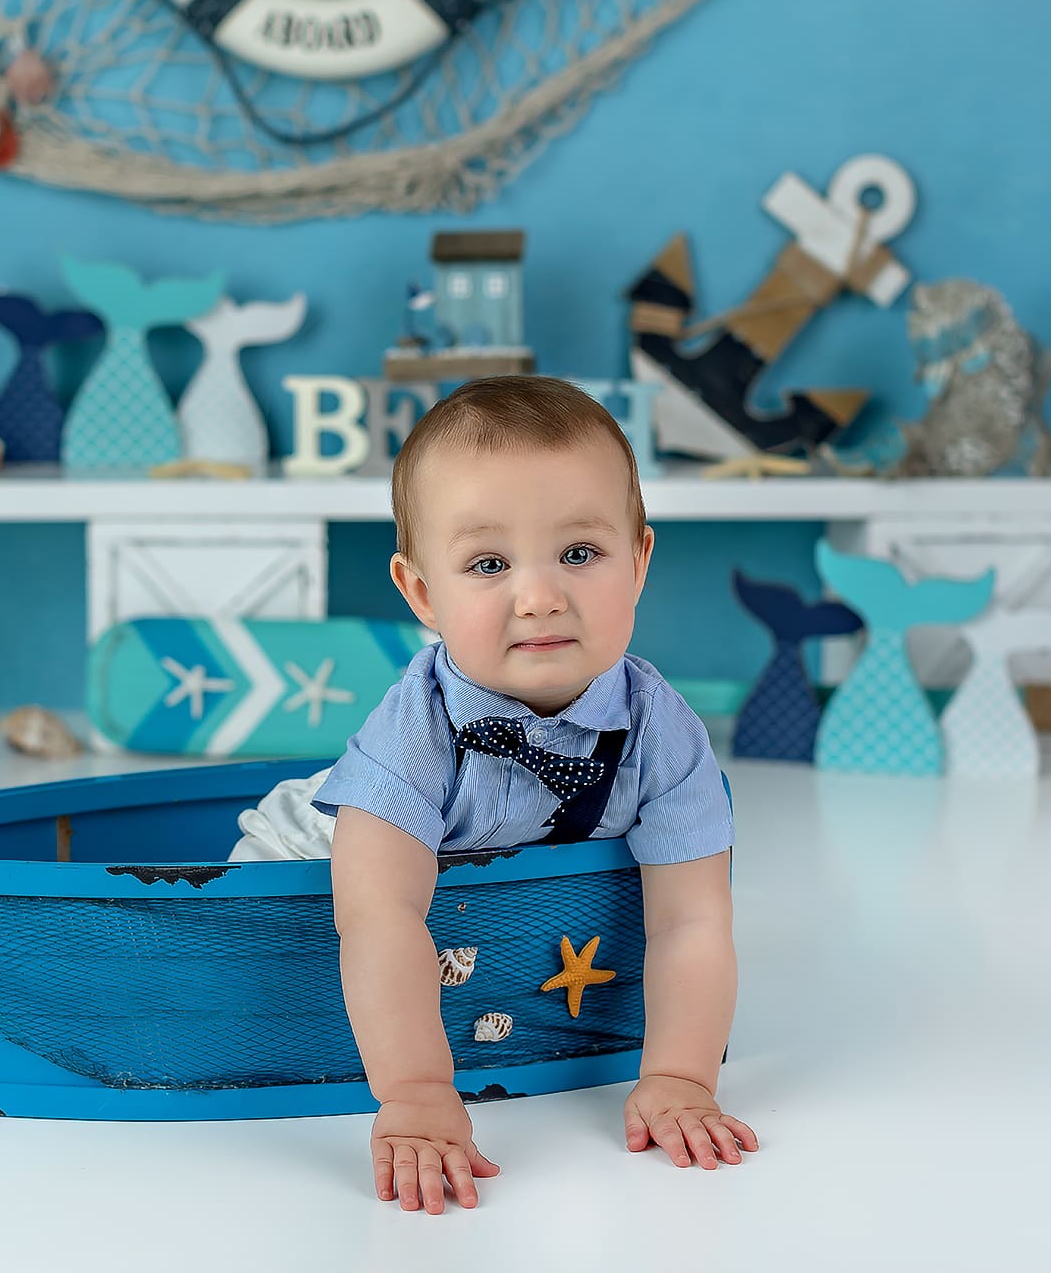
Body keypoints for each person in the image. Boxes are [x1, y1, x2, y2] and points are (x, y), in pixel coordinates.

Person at [316, 375, 757, 1215]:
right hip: (330, 836)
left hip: (527, 943)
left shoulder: (662, 728)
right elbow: (377, 915)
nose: (541, 595)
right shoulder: (419, 725)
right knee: (283, 894)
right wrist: (414, 1088)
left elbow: (692, 916)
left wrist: (678, 1072)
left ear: (640, 560)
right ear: (421, 593)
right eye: (488, 563)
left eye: (580, 553)